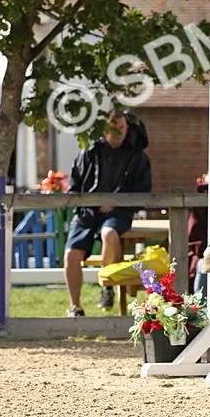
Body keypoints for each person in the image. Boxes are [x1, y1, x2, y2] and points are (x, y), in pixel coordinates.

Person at [63, 111, 152, 317]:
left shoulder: (138, 157)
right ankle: (74, 307)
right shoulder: (88, 151)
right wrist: (90, 203)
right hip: (87, 212)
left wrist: (116, 202)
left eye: (121, 128)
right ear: (104, 129)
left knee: (109, 233)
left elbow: (143, 192)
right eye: (112, 128)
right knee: (71, 254)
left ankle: (107, 288)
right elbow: (74, 187)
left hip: (119, 212)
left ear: (127, 128)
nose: (117, 133)